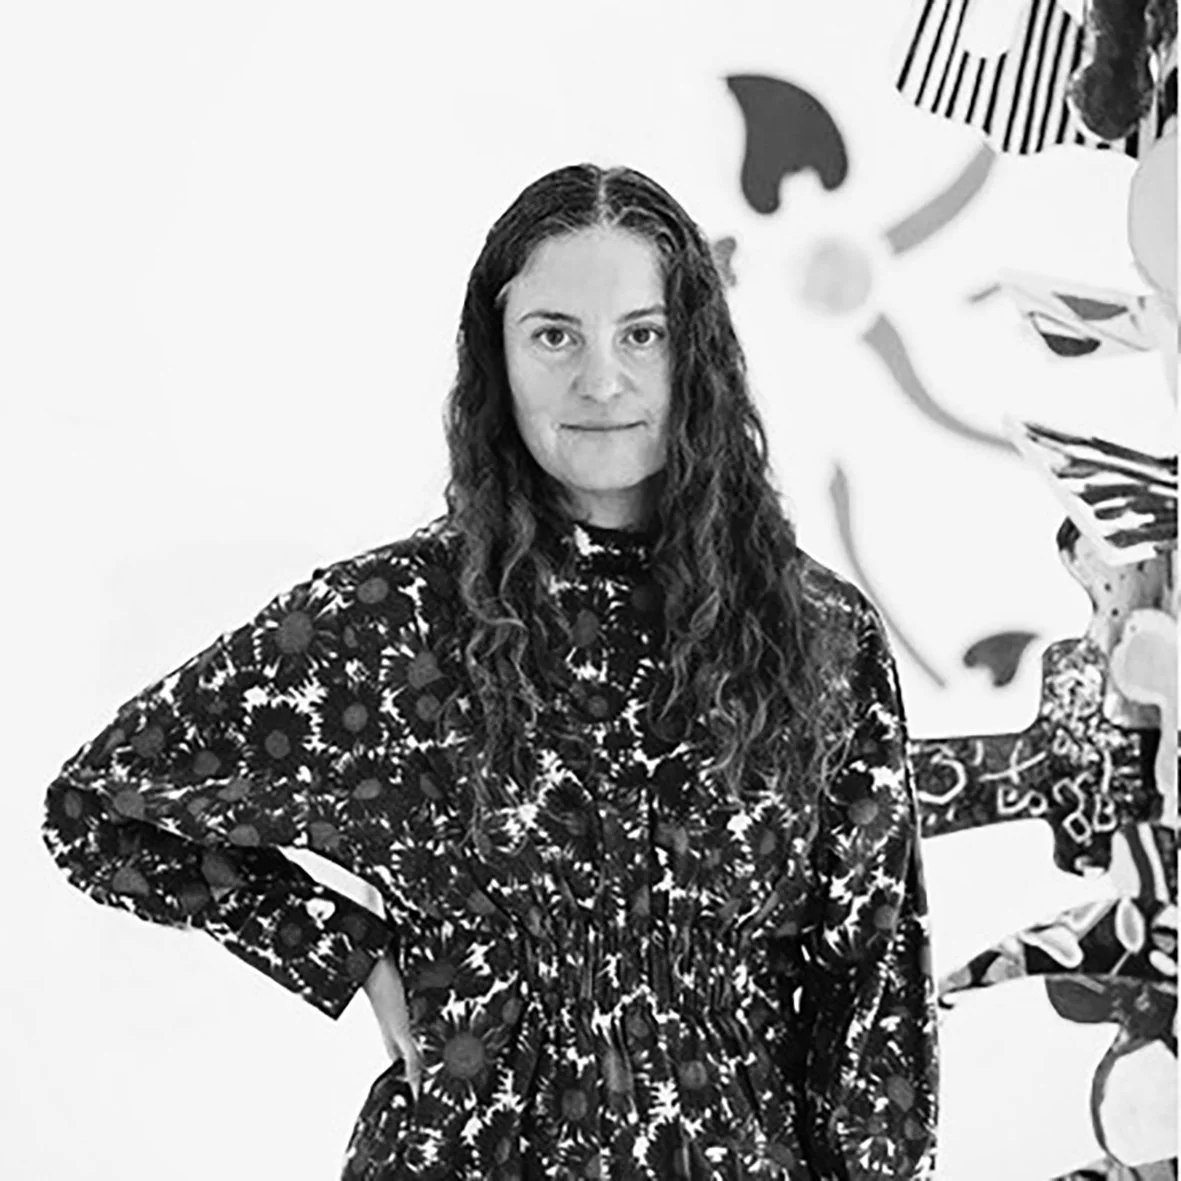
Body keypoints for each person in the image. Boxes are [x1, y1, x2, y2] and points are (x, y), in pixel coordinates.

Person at [41, 163, 938, 1180]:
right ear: (496, 356)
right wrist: (344, 950)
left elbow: (870, 994)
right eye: (554, 335)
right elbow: (97, 807)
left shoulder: (817, 632)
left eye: (642, 334)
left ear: (698, 352)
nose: (601, 380)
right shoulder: (393, 620)